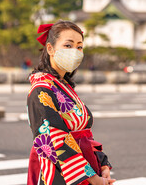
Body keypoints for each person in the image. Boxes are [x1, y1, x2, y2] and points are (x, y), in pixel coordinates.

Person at [27, 20, 115, 185]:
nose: (75, 51)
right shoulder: (42, 89)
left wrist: (102, 164)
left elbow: (84, 135)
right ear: (50, 48)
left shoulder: (62, 85)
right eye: (68, 45)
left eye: (79, 47)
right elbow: (56, 140)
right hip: (62, 175)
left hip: (85, 170)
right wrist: (92, 177)